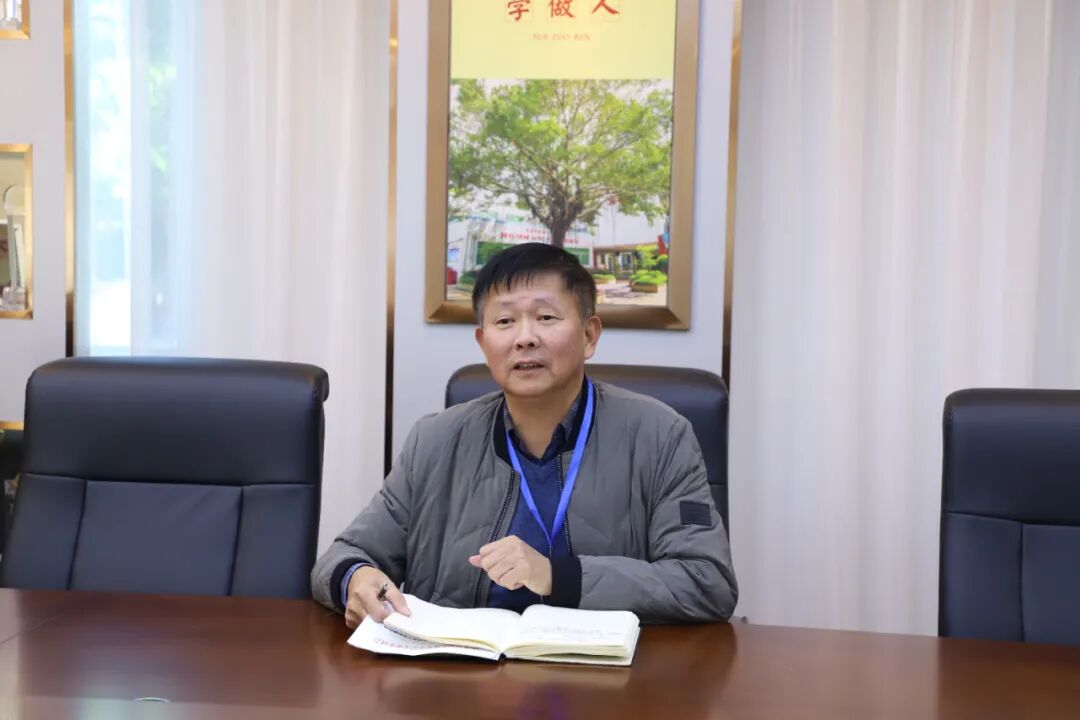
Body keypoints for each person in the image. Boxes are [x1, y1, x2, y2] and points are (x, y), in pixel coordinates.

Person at [311, 243, 737, 626]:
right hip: (458, 672)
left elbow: (707, 582)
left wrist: (557, 575)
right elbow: (342, 556)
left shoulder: (660, 436)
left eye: (546, 317)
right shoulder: (435, 441)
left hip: (600, 675)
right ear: (483, 342)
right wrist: (356, 578)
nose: (525, 338)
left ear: (589, 335)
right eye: (505, 321)